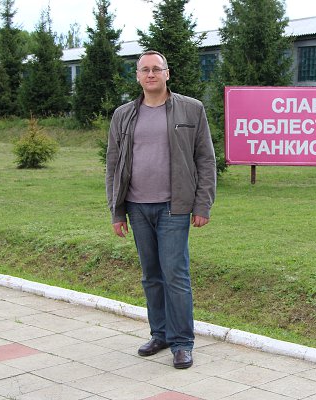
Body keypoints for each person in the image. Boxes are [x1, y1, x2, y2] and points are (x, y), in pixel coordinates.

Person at [105, 50, 216, 369]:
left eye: (156, 69)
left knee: (175, 275)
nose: (151, 74)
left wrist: (202, 203)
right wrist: (116, 211)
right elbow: (113, 164)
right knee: (151, 276)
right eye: (145, 70)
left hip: (174, 207)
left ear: (167, 74)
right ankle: (161, 334)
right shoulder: (123, 115)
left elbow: (205, 159)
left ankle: (182, 343)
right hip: (137, 207)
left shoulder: (191, 109)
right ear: (138, 76)